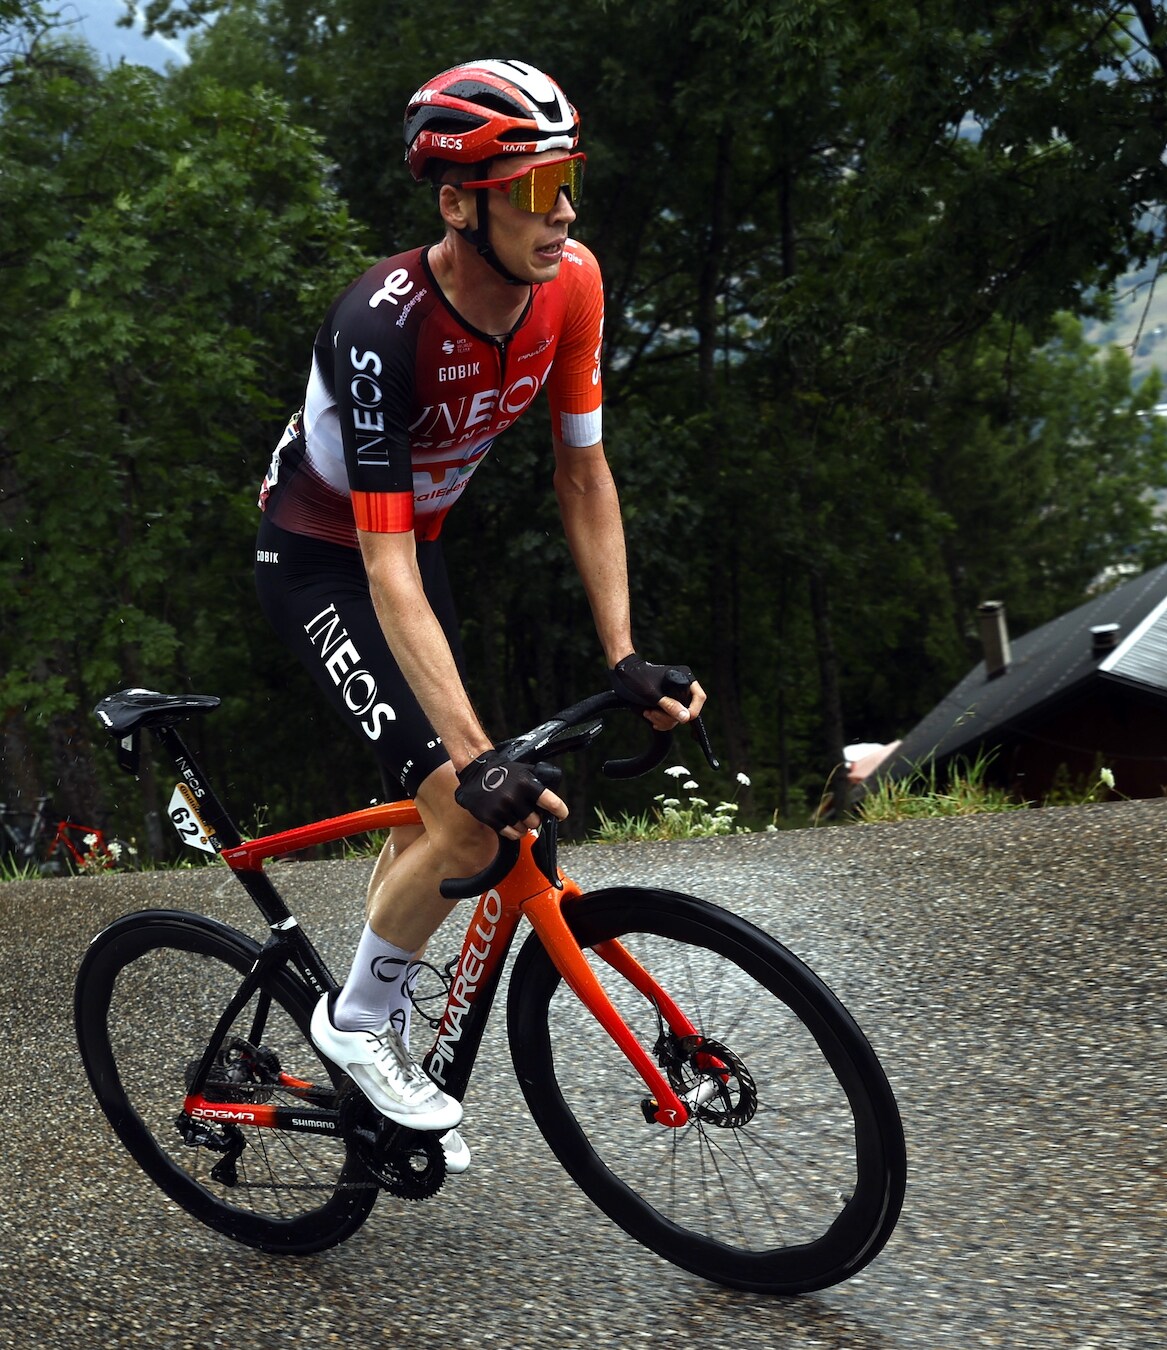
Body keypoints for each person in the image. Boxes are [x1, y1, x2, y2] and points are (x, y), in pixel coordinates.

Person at [253, 59, 704, 1172]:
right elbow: (381, 560)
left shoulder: (575, 285)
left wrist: (625, 650)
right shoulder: (381, 326)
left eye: (570, 182)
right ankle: (356, 1025)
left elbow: (584, 476)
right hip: (325, 561)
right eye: (535, 191)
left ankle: (373, 1025)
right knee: (469, 810)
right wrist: (472, 757)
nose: (565, 216)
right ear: (459, 202)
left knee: (431, 823)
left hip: (417, 553)